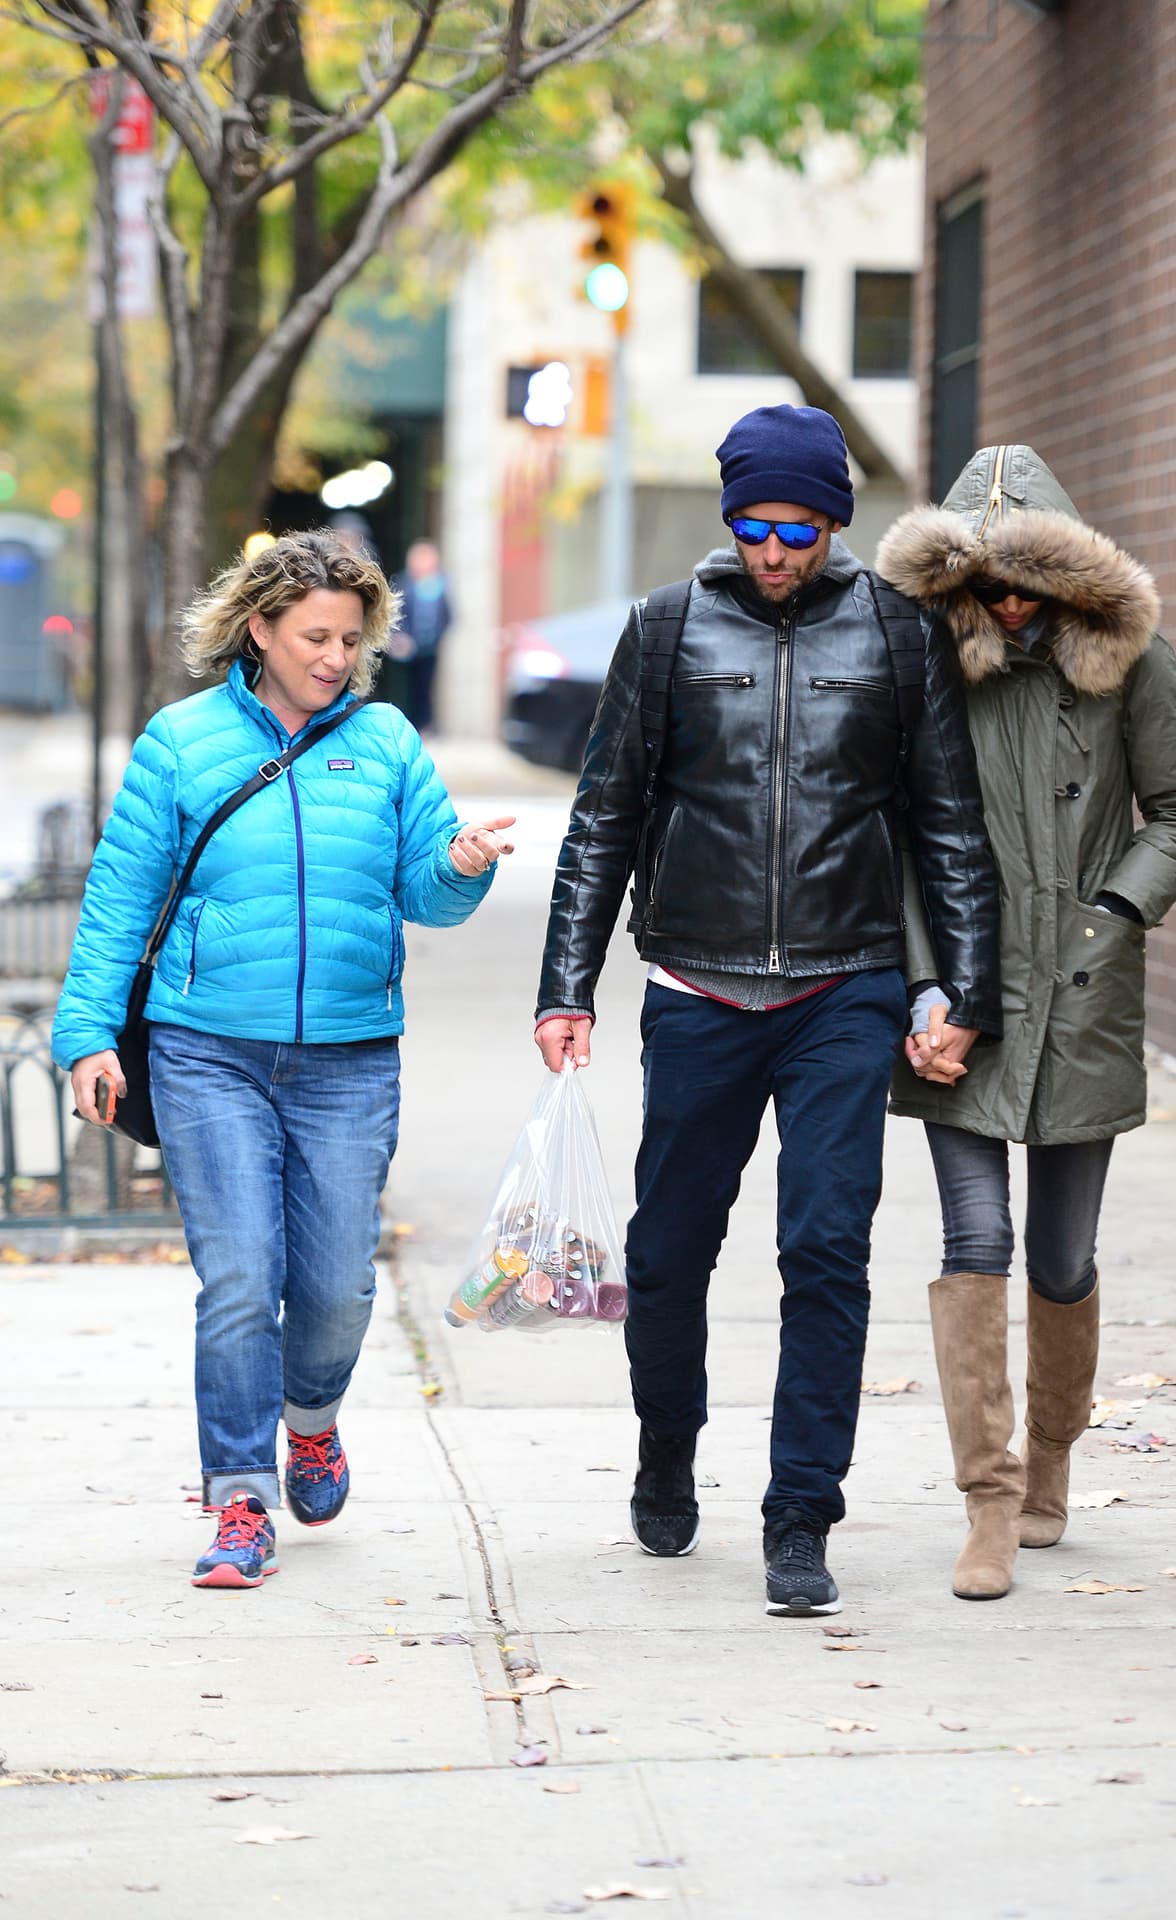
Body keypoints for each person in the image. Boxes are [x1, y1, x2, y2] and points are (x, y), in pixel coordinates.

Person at [534, 404, 1002, 1616]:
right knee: (668, 1249)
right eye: (754, 526)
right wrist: (564, 987)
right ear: (729, 517)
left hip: (844, 986)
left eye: (798, 529)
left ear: (832, 523)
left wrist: (962, 991)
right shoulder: (667, 627)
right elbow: (603, 816)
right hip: (696, 986)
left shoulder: (895, 632)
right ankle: (665, 1448)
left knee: (826, 1249)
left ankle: (800, 1515)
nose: (774, 550)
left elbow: (948, 826)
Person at [51, 530, 514, 1590]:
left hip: (349, 1059)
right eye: (314, 637)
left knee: (338, 1285)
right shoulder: (182, 741)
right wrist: (86, 1036)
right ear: (259, 629)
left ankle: (311, 1422)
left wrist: (459, 865)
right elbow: (119, 899)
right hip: (206, 1051)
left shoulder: (387, 742)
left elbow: (427, 894)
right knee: (239, 1277)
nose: (335, 658)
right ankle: (238, 1499)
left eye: (350, 640)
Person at [876, 444, 1176, 1603]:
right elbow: (901, 839)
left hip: (1080, 994)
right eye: (984, 584)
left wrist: (1108, 918)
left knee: (1061, 1258)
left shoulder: (1128, 664)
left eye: (1027, 582)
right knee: (972, 1242)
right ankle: (986, 1497)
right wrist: (925, 989)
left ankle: (1051, 1459)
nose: (1008, 604)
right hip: (962, 1003)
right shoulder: (929, 668)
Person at [391, 539, 453, 734]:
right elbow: (395, 613)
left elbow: (449, 615)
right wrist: (401, 637)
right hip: (407, 648)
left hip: (430, 648)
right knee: (408, 688)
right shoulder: (404, 583)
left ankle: (426, 725)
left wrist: (437, 637)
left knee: (427, 687)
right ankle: (407, 724)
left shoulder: (442, 584)